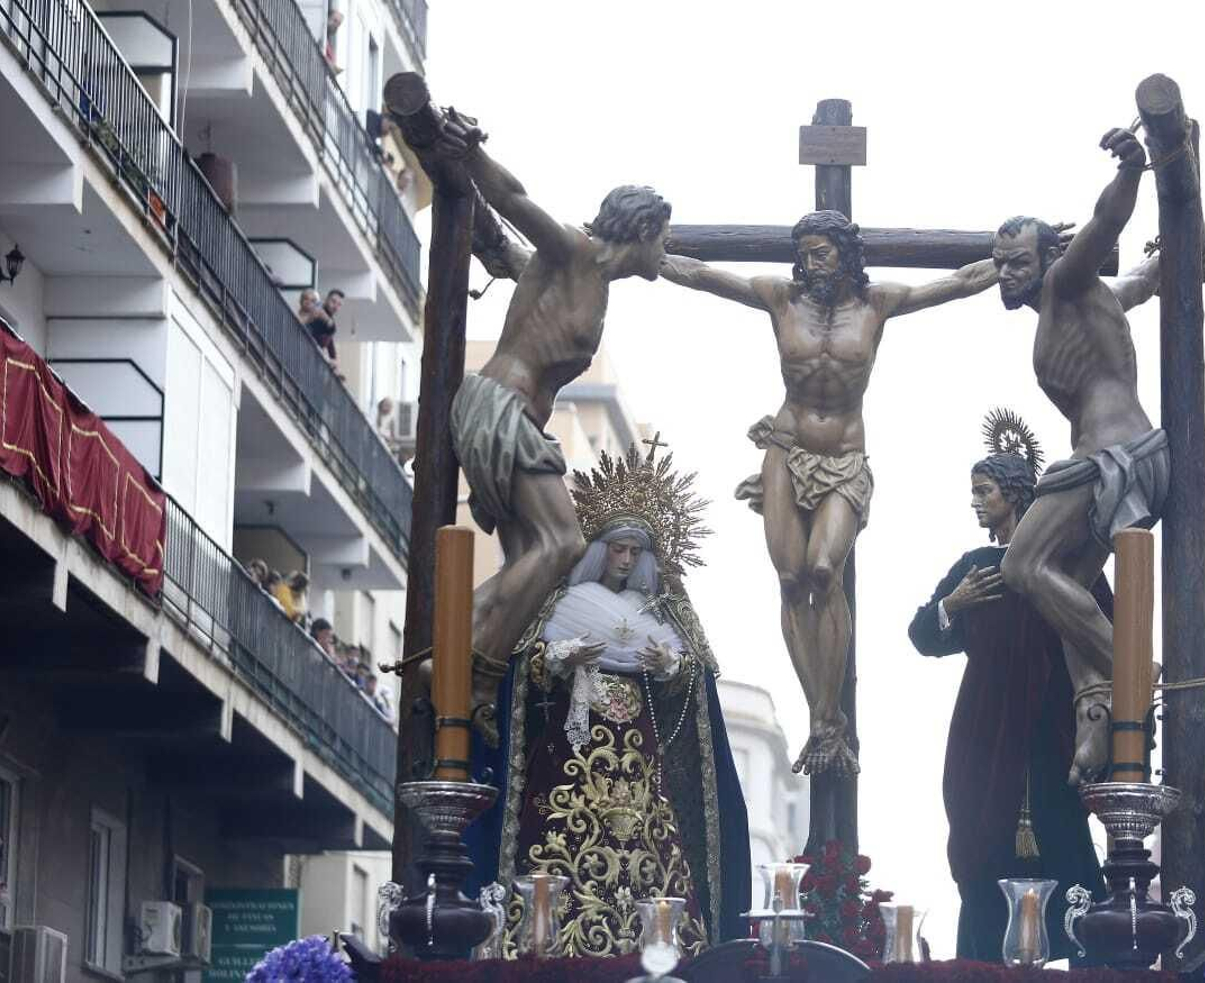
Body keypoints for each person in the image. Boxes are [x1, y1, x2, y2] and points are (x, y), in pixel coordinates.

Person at [660, 213, 1000, 775]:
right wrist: (648, 252)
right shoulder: (780, 299)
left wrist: (1015, 258)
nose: (810, 264)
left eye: (820, 253)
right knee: (792, 580)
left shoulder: (876, 305)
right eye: (805, 254)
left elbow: (960, 282)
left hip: (843, 454)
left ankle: (829, 717)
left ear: (845, 253)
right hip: (785, 450)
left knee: (823, 569)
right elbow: (701, 276)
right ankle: (821, 718)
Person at [421, 113, 673, 705]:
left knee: (529, 560)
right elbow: (514, 199)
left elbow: (510, 255)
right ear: (641, 230)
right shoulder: (575, 252)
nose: (667, 249)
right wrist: (473, 154)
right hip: (501, 408)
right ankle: (466, 667)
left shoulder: (589, 282)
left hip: (514, 418)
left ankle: (460, 661)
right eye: (663, 237)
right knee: (561, 545)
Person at [990, 124, 1205, 784]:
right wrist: (1182, 251)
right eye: (1000, 261)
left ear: (1048, 254)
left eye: (1018, 258)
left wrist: (1134, 168)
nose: (1008, 271)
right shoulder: (1100, 300)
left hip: (1112, 455)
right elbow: (1149, 276)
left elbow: (1104, 222)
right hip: (1138, 459)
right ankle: (1097, 722)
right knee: (1067, 593)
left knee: (1023, 564)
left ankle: (1130, 669)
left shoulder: (1066, 280)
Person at [469, 447, 750, 957]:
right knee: (558, 838)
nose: (625, 561)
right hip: (571, 761)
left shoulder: (662, 608)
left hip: (640, 760)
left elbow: (694, 687)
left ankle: (658, 942)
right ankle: (542, 937)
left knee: (651, 850)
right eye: (617, 549)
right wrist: (558, 657)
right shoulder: (556, 601)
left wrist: (670, 668)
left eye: (634, 553)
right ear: (598, 549)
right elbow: (523, 671)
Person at [908, 411, 1108, 961]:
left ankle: (1094, 960)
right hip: (985, 731)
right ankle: (979, 963)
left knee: (1066, 846)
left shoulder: (1063, 563)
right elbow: (922, 635)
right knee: (979, 847)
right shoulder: (976, 568)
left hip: (1051, 728)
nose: (975, 501)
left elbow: (1106, 634)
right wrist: (955, 604)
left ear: (1015, 495)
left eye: (983, 491)